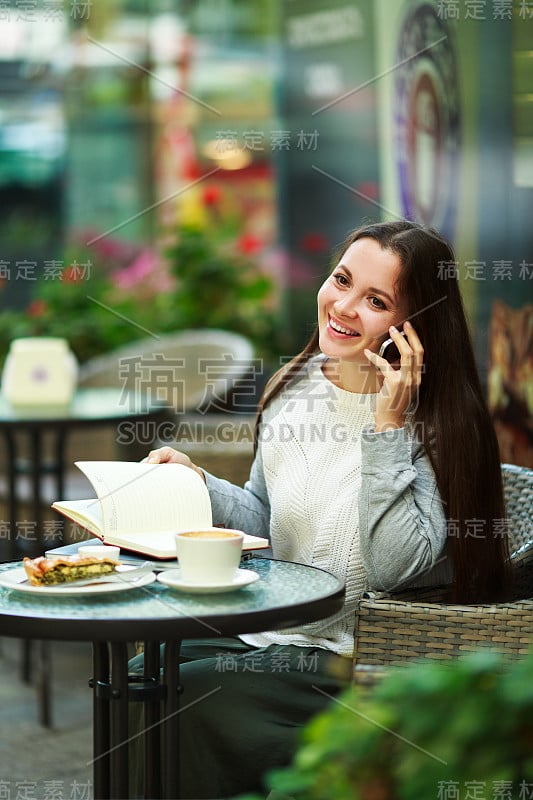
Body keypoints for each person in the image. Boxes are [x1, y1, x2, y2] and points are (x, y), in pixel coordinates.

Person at [130, 219, 509, 798]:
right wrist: (199, 483)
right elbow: (266, 518)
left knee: (186, 697)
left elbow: (391, 566)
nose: (344, 306)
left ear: (413, 331)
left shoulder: (441, 429)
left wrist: (386, 426)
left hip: (358, 662)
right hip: (274, 633)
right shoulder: (295, 384)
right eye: (341, 280)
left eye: (376, 300)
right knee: (140, 675)